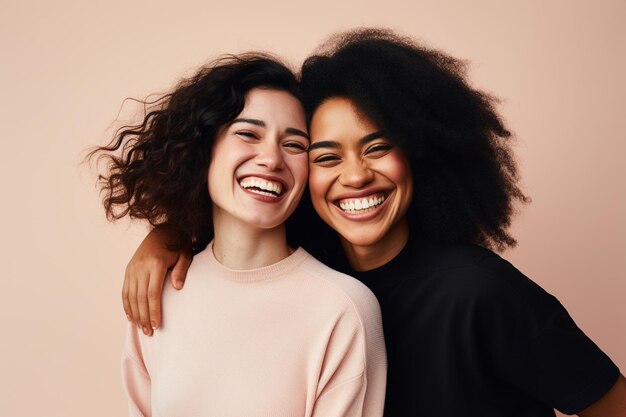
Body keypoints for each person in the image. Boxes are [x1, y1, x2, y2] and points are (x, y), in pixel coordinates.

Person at [120, 30, 626, 416]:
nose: (357, 176)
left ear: (420, 154)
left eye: (377, 147)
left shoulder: (478, 291)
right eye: (324, 156)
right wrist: (165, 235)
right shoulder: (306, 264)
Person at [94, 53, 386, 417]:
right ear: (204, 150)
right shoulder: (157, 292)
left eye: (294, 144)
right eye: (248, 133)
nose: (271, 159)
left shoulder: (342, 308)